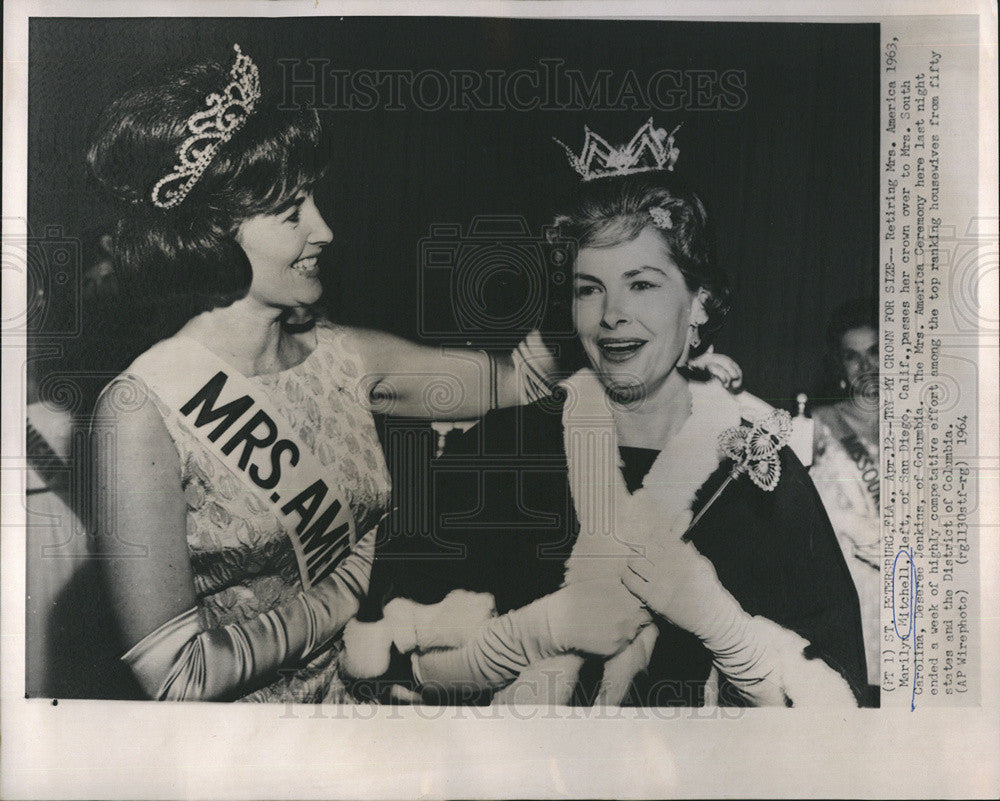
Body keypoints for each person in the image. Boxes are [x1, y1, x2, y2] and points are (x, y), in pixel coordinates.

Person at [86, 45, 658, 703]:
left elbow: (517, 380)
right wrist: (347, 592)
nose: (324, 229)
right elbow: (177, 674)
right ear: (214, 232)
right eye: (292, 211)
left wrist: (605, 282)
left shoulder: (343, 355)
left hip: (373, 698)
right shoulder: (143, 408)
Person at [350, 121, 868, 707]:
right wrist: (534, 632)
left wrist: (723, 627)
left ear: (698, 302)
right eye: (588, 288)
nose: (612, 315)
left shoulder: (754, 471)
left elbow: (838, 711)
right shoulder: (509, 446)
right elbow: (379, 667)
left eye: (642, 284)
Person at [809, 298, 880, 704]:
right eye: (852, 357)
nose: (866, 366)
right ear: (839, 367)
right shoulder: (818, 426)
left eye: (875, 352)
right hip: (847, 596)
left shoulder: (921, 430)